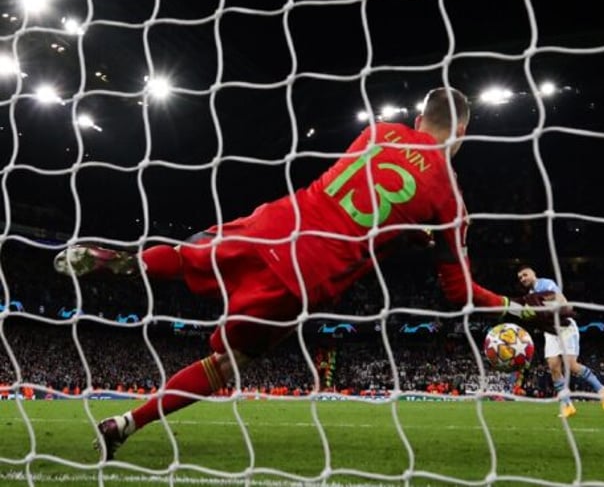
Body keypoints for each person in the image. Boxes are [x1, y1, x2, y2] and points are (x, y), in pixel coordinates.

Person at [54, 87, 565, 460]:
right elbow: (458, 293)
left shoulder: (377, 131)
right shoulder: (449, 199)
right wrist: (525, 313)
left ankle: (126, 261)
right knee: (227, 362)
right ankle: (125, 423)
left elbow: (366, 198)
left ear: (415, 116)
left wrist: (406, 231)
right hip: (305, 273)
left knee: (191, 255)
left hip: (277, 220)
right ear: (464, 131)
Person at [515, 265, 604, 418]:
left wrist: (556, 309)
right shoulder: (531, 294)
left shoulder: (545, 284)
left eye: (525, 275)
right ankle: (567, 406)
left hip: (564, 326)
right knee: (553, 366)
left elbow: (561, 300)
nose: (523, 279)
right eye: (520, 278)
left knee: (571, 365)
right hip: (551, 331)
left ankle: (601, 388)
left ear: (533, 273)